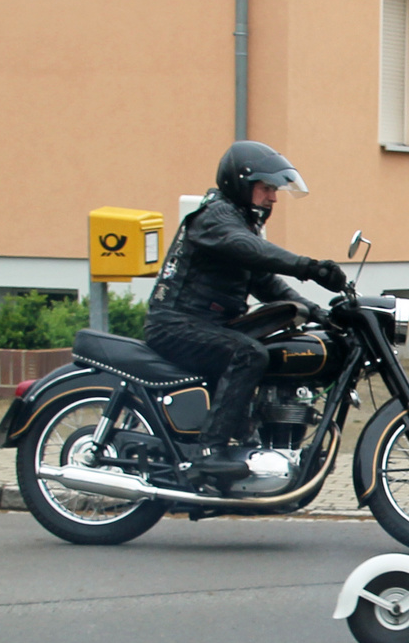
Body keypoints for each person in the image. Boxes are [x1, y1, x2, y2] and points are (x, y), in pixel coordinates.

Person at [145, 140, 349, 479]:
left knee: (264, 351)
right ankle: (210, 453)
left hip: (208, 324)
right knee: (249, 354)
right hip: (176, 324)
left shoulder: (240, 220)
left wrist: (319, 313)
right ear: (241, 183)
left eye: (275, 189)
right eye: (266, 187)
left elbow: (265, 283)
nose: (272, 197)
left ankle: (251, 442)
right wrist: (309, 267)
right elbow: (250, 249)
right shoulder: (216, 217)